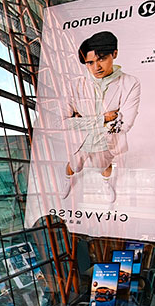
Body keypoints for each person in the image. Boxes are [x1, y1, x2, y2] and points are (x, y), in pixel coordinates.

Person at [59, 31, 140, 203]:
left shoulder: (130, 83)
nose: (96, 67)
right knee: (74, 165)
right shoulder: (74, 85)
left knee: (104, 166)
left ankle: (106, 184)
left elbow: (125, 124)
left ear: (114, 54)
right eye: (90, 63)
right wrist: (104, 118)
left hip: (107, 140)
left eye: (102, 58)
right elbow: (62, 122)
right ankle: (67, 180)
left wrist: (79, 118)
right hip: (81, 140)